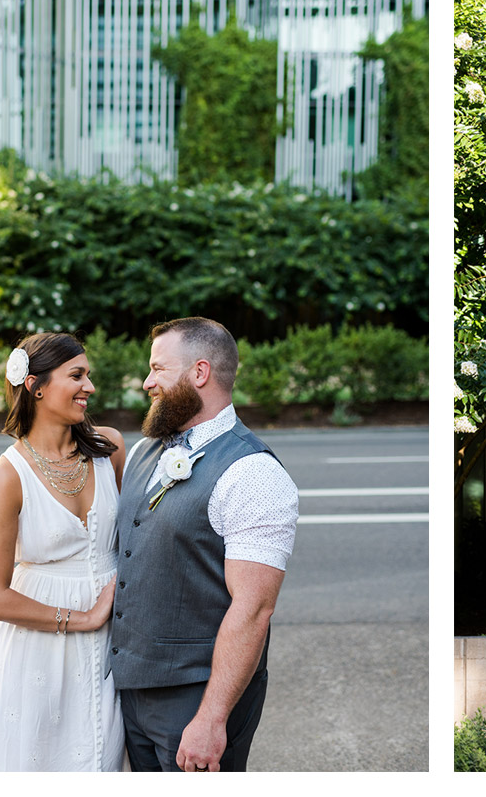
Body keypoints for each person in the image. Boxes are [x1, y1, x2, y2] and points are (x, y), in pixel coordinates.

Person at [108, 316, 298, 772]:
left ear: (199, 373)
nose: (146, 381)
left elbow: (254, 609)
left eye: (158, 369)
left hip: (198, 699)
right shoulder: (143, 450)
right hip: (133, 692)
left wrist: (212, 718)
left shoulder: (254, 473)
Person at [0, 332, 127, 771]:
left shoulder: (109, 450)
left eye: (88, 375)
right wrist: (83, 618)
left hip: (112, 646)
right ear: (35, 386)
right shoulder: (7, 476)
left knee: (106, 762)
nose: (89, 387)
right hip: (39, 650)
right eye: (76, 375)